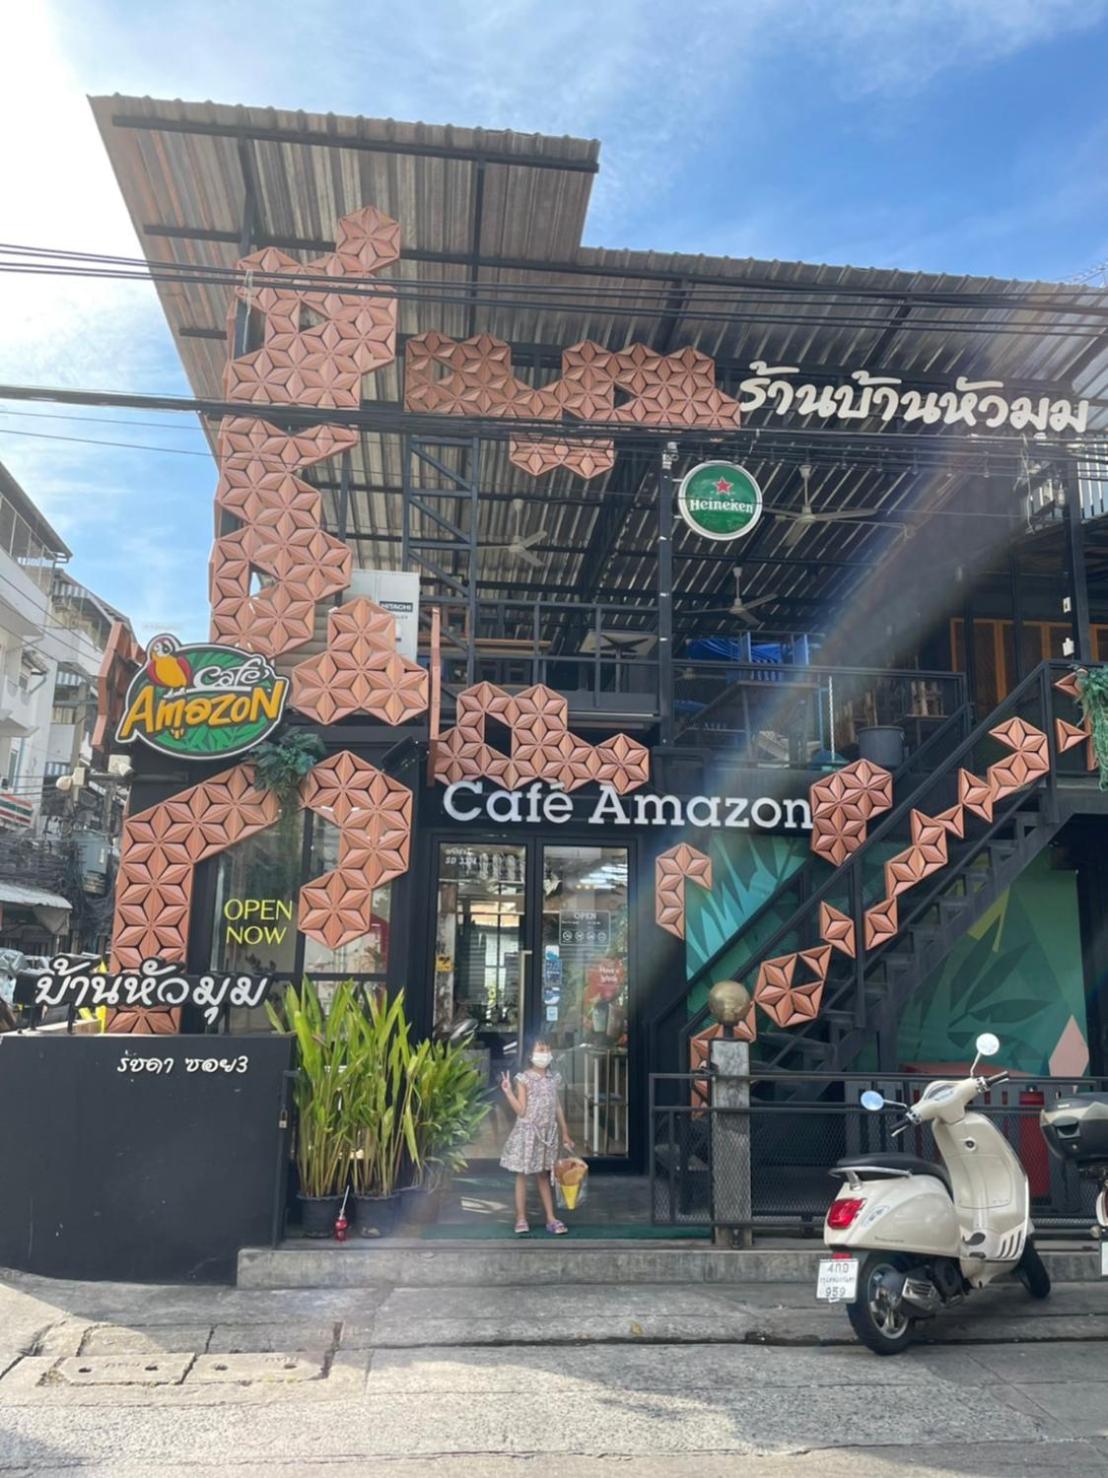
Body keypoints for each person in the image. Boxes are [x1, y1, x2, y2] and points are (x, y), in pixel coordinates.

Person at [499, 1037, 574, 1235]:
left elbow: (557, 1106)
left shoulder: (554, 1078)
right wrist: (508, 1093)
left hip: (547, 1134)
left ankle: (551, 1218)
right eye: (540, 1049)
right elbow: (521, 1111)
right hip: (528, 1133)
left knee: (543, 1175)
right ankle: (521, 1217)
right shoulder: (524, 1079)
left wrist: (565, 1132)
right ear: (530, 1055)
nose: (545, 1054)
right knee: (522, 1174)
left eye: (547, 1049)